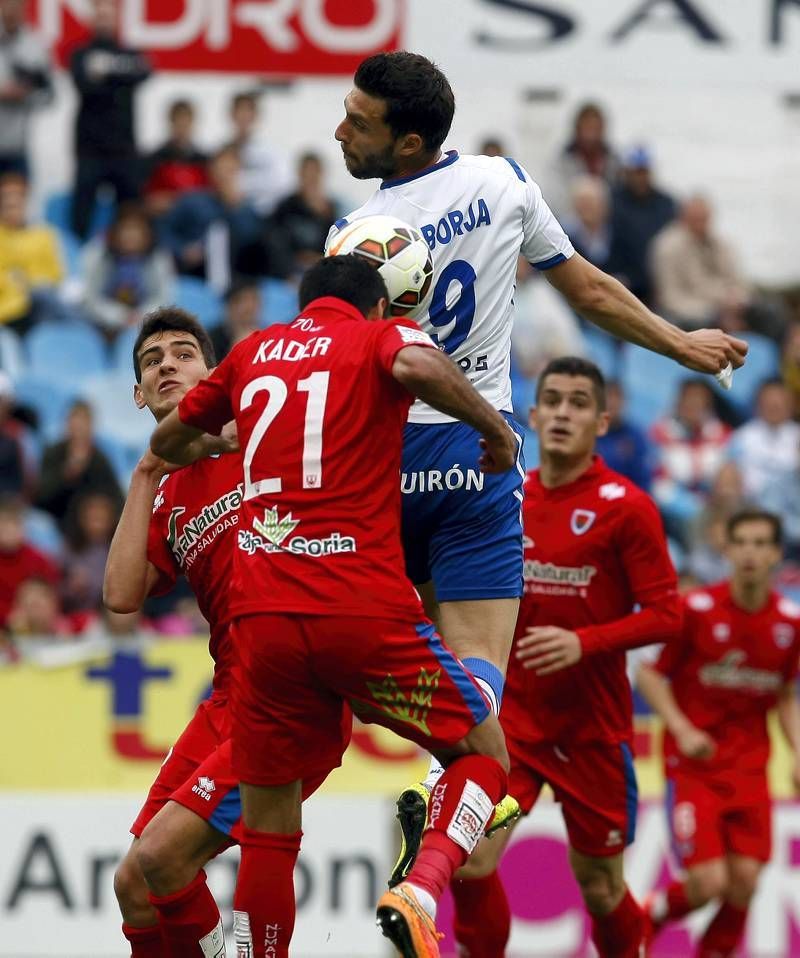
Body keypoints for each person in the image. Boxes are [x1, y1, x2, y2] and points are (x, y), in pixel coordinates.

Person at [329, 49, 747, 884]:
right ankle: (462, 789)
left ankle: (452, 784)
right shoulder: (501, 182)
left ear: (408, 145)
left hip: (379, 464)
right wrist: (681, 344)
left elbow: (339, 369)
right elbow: (587, 290)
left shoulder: (351, 237)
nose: (340, 130)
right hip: (475, 448)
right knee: (481, 664)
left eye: (359, 121)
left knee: (364, 657)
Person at [150, 254, 518, 956]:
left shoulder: (255, 350)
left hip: (263, 627)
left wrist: (217, 438)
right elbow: (418, 367)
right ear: (380, 307)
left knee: (268, 831)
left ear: (304, 302)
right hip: (362, 611)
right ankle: (421, 885)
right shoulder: (378, 338)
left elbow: (168, 439)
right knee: (483, 749)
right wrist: (494, 432)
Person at [450, 357, 681, 958]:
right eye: (552, 400)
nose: (562, 413)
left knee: (601, 890)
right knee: (471, 862)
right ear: (531, 414)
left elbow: (667, 615)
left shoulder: (625, 507)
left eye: (578, 402)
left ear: (602, 421)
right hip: (514, 727)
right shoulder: (505, 494)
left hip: (593, 733)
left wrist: (587, 642)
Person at [637, 510, 800, 957]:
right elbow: (650, 677)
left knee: (745, 883)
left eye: (760, 543)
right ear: (725, 550)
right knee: (709, 882)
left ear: (775, 554)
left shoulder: (789, 623)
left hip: (750, 769)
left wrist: (798, 751)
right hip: (694, 767)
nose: (750, 552)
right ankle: (646, 918)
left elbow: (784, 693)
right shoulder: (696, 610)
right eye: (741, 542)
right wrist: (683, 729)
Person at [69, 0, 151, 239]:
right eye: (100, 15)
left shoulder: (132, 52)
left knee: (130, 216)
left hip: (124, 150)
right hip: (89, 150)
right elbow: (85, 85)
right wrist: (121, 78)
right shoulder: (80, 53)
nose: (104, 20)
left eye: (109, 15)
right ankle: (78, 268)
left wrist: (104, 74)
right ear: (93, 19)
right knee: (81, 216)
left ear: (117, 18)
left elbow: (145, 73)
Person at [160, 145, 263, 292]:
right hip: (195, 277)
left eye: (231, 170)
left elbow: (251, 239)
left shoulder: (247, 208)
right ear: (211, 171)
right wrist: (182, 249)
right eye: (221, 169)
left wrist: (235, 207)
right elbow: (164, 230)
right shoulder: (191, 200)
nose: (225, 176)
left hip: (237, 282)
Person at [651, 194, 751, 331]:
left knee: (768, 313)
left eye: (704, 219)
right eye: (695, 219)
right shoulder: (668, 247)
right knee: (705, 324)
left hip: (727, 307)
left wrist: (737, 301)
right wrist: (716, 311)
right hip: (689, 313)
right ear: (683, 218)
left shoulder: (721, 244)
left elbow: (739, 281)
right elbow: (670, 298)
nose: (701, 224)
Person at [82, 203, 174, 338]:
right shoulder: (98, 255)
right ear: (114, 232)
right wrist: (120, 317)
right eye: (126, 229)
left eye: (137, 229)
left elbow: (164, 297)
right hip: (101, 326)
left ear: (148, 234)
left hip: (147, 326)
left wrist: (141, 317)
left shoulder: (159, 258)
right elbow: (91, 299)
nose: (131, 235)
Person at [36, 399, 122, 536]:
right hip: (58, 523)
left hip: (93, 529)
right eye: (75, 423)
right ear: (67, 424)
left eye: (84, 423)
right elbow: (40, 497)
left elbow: (116, 498)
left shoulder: (99, 459)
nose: (79, 429)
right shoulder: (53, 453)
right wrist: (66, 474)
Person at [608, 145, 676, 306]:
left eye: (644, 172)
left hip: (657, 280)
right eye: (636, 172)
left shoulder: (666, 203)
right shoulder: (612, 201)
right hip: (624, 277)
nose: (640, 178)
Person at [0, 172, 64, 332]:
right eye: (8, 205)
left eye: (17, 204)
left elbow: (55, 275)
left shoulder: (44, 235)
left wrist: (27, 281)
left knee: (44, 295)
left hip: (38, 300)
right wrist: (14, 281)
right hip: (7, 307)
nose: (12, 210)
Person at [0, 0, 53, 178]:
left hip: (17, 147)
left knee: (16, 204)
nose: (11, 10)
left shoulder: (35, 47)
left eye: (16, 5)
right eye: (7, 4)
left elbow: (50, 95)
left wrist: (25, 96)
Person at [728, 378, 800, 500]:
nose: (774, 406)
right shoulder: (741, 437)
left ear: (790, 404)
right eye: (769, 402)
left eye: (779, 402)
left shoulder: (797, 436)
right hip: (751, 504)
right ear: (758, 404)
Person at [227, 90, 292, 216]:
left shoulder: (269, 152)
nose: (243, 116)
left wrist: (241, 184)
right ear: (232, 115)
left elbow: (282, 182)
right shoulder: (222, 150)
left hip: (261, 216)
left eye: (248, 112)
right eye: (240, 111)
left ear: (255, 116)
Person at [143, 98, 208, 220]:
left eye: (186, 122)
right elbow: (148, 196)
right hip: (164, 218)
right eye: (178, 122)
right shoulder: (155, 159)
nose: (182, 128)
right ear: (170, 122)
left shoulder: (203, 160)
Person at [595, 379, 653, 491]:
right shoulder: (588, 433)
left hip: (625, 497)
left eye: (617, 397)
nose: (612, 402)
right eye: (608, 396)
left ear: (624, 401)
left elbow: (643, 479)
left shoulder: (635, 436)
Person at [208, 277, 262, 362]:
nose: (250, 306)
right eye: (243, 300)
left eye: (254, 300)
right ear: (230, 305)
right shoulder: (211, 339)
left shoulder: (267, 336)